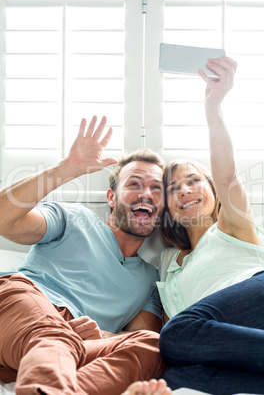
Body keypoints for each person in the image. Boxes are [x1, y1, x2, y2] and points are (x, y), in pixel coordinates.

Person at [0, 115, 167, 394]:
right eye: (134, 184)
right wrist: (67, 169)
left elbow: (136, 336)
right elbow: (4, 219)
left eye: (156, 189)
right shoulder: (73, 218)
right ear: (111, 198)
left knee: (155, 346)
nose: (146, 194)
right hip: (21, 306)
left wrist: (101, 335)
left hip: (67, 348)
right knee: (53, 336)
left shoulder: (150, 280)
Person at [155, 56, 264, 395]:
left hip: (259, 297)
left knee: (176, 333)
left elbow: (227, 173)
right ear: (168, 209)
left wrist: (213, 109)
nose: (185, 190)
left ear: (214, 192)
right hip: (232, 340)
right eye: (173, 189)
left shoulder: (231, 225)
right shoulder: (166, 266)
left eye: (193, 181)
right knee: (177, 380)